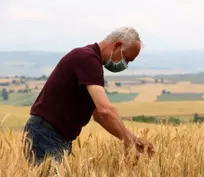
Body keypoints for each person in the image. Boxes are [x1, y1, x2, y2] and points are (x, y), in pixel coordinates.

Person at [22, 26, 155, 166]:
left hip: (53, 136)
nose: (125, 65)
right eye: (127, 59)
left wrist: (134, 140)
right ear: (117, 46)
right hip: (46, 135)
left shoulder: (91, 62)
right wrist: (128, 143)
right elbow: (105, 110)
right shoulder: (87, 59)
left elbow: (98, 115)